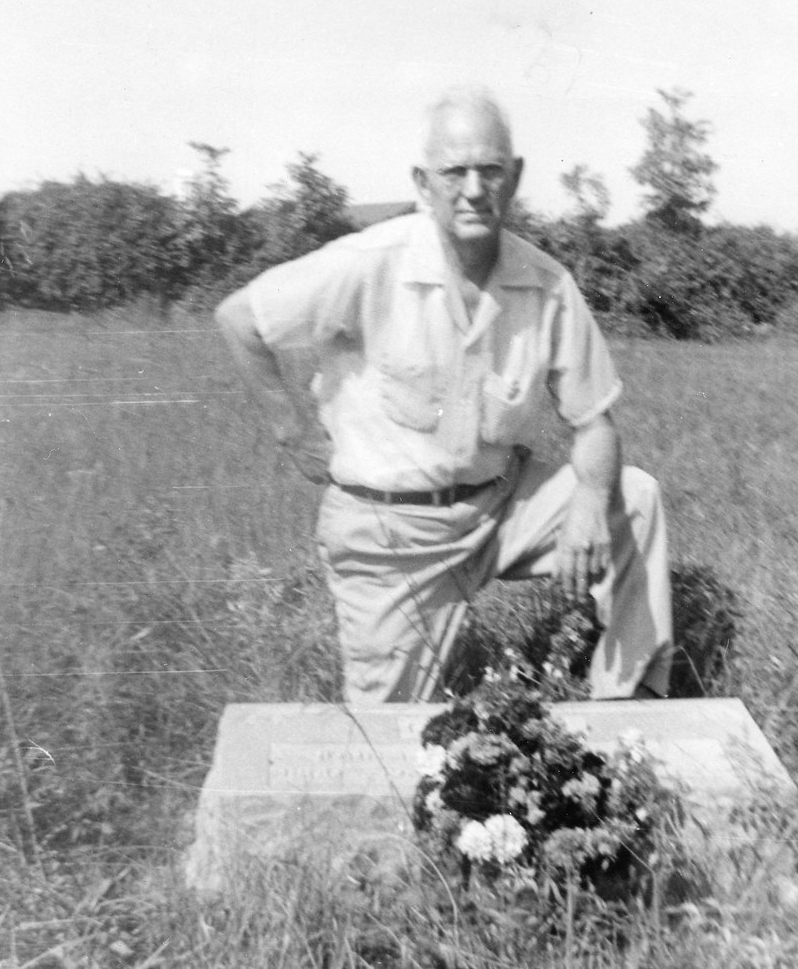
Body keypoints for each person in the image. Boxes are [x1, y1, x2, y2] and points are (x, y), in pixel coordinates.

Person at [215, 87, 672, 704]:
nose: (474, 189)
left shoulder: (547, 284)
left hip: (500, 507)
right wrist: (291, 430)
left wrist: (591, 498)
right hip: (391, 535)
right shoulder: (368, 263)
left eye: (490, 170)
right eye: (455, 172)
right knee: (393, 749)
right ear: (423, 183)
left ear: (514, 178)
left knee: (633, 499)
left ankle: (631, 713)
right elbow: (241, 319)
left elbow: (594, 421)